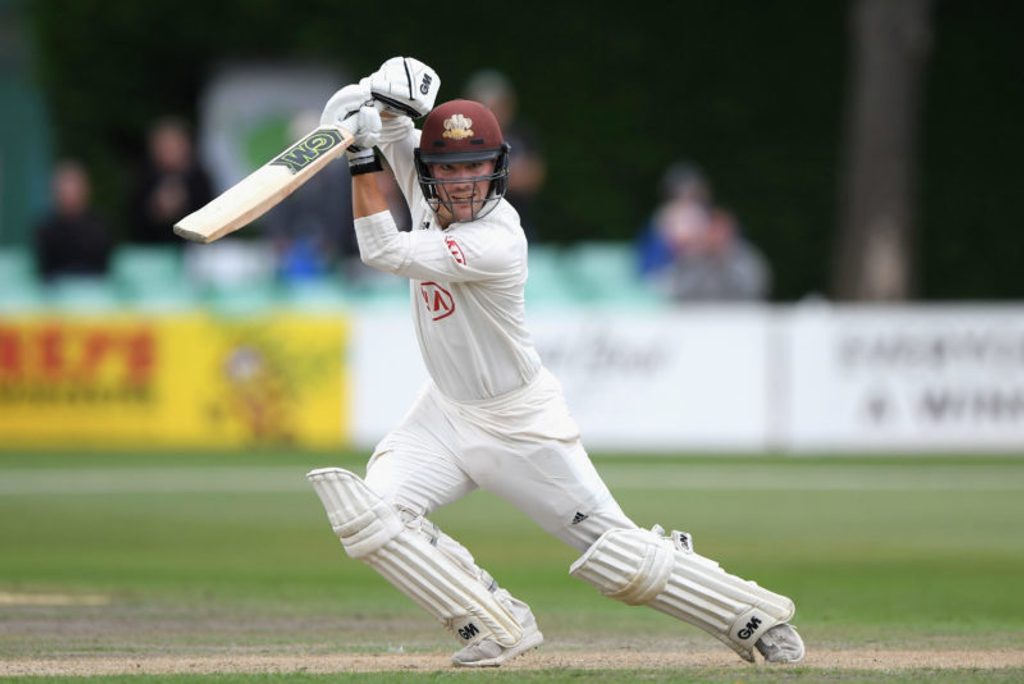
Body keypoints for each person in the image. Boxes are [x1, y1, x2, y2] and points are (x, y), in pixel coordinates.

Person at [306, 57, 805, 668]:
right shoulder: (424, 178)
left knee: (616, 555)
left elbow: (380, 246)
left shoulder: (498, 240)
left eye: (476, 169)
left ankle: (751, 618)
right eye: (448, 170)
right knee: (372, 518)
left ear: (498, 170)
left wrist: (360, 155)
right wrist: (373, 97)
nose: (461, 184)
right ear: (430, 171)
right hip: (443, 411)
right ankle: (494, 623)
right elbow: (367, 125)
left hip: (521, 424)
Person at [463, 69, 546, 241]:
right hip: (471, 226)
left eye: (497, 106)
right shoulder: (459, 137)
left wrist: (488, 175)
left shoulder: (522, 134)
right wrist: (509, 174)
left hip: (519, 224)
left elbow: (534, 177)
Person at [657, 206, 773, 302]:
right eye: (712, 230)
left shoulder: (747, 258)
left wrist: (723, 262)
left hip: (739, 317)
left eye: (720, 231)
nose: (715, 236)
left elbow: (756, 289)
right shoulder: (691, 258)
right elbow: (676, 291)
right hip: (698, 319)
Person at [127, 117, 214, 244]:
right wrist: (155, 209)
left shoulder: (199, 178)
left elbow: (211, 217)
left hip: (194, 250)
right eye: (163, 146)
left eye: (172, 146)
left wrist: (184, 205)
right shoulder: (143, 178)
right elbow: (132, 220)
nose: (168, 151)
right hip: (152, 250)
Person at [33, 160, 113, 281]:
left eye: (74, 185)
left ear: (86, 189)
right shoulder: (45, 230)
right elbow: (47, 270)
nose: (69, 192)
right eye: (64, 186)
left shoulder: (101, 227)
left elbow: (102, 267)